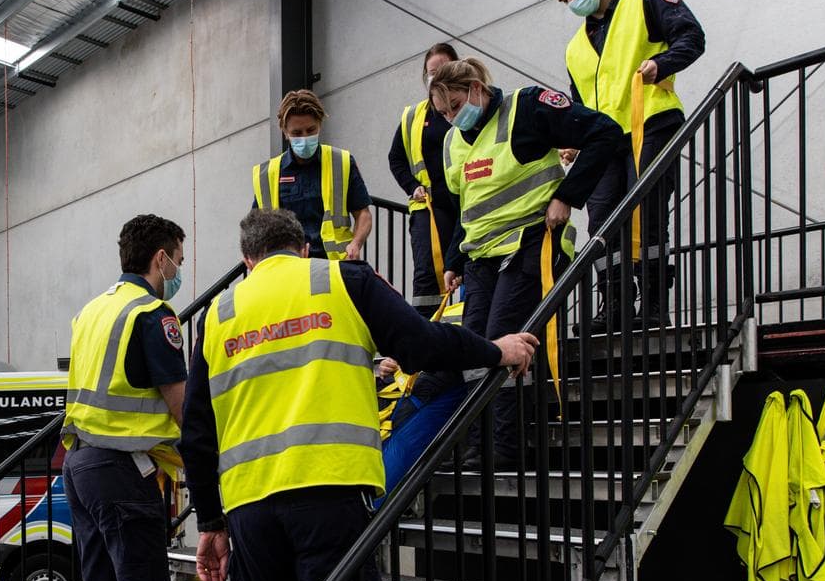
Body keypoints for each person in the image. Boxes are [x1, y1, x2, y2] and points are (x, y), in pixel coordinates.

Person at [180, 209, 539, 581]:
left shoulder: (219, 315)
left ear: (247, 260)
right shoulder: (341, 280)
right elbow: (424, 344)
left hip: (249, 512)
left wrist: (209, 523)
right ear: (303, 248)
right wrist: (496, 351)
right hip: (330, 496)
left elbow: (197, 434)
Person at [432, 58, 621, 471]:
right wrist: (454, 259)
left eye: (456, 105)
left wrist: (568, 195)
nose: (451, 118)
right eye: (444, 113)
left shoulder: (527, 107)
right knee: (472, 349)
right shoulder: (453, 143)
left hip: (531, 242)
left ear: (478, 89)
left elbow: (604, 132)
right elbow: (466, 206)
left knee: (504, 338)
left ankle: (506, 448)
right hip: (481, 256)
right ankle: (474, 448)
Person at [60, 214, 188, 581]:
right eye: (178, 259)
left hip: (79, 464)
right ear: (160, 258)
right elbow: (183, 410)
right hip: (120, 471)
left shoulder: (92, 310)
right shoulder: (152, 315)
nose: (178, 270)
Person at [548, 0, 706, 331]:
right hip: (604, 141)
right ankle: (614, 303)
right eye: (564, 0)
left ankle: (653, 302)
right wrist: (574, 137)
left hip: (650, 120)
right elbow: (581, 101)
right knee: (602, 220)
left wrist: (661, 64)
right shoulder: (576, 48)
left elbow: (692, 37)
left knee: (647, 216)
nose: (572, 2)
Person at [387, 41, 465, 317]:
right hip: (430, 206)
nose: (436, 75)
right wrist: (412, 186)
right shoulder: (415, 116)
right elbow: (395, 158)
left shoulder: (468, 107)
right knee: (427, 272)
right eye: (431, 72)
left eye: (443, 68)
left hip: (466, 199)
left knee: (465, 265)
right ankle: (426, 331)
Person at [252, 89, 373, 261]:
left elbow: (363, 214)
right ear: (285, 132)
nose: (305, 137)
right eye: (297, 133)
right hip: (288, 267)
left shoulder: (341, 162)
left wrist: (356, 244)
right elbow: (256, 228)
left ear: (320, 125)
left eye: (310, 130)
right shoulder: (268, 174)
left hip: (335, 264)